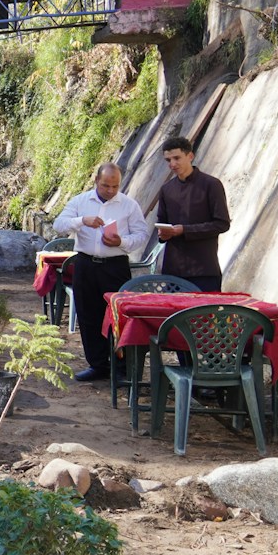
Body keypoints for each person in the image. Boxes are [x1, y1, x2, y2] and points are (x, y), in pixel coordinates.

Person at [53, 162, 151, 382]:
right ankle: (97, 364)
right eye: (106, 185)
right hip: (86, 264)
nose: (110, 190)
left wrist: (121, 241)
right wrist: (82, 221)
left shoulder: (129, 205)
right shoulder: (81, 201)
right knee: (89, 316)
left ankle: (122, 368)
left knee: (119, 316)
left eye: (115, 186)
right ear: (97, 181)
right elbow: (59, 224)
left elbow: (142, 234)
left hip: (115, 266)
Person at [156, 135, 230, 292]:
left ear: (190, 156)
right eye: (168, 160)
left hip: (204, 268)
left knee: (206, 316)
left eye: (177, 158)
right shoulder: (166, 189)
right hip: (173, 269)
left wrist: (185, 230)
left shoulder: (211, 185)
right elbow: (162, 222)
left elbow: (222, 224)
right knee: (173, 316)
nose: (172, 164)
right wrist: (163, 235)